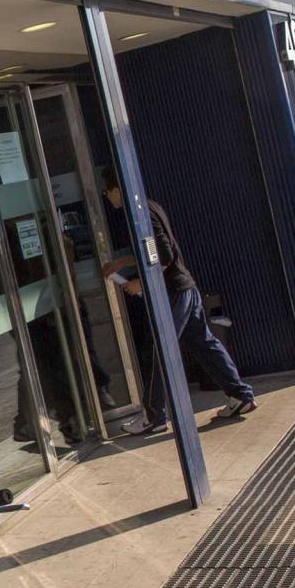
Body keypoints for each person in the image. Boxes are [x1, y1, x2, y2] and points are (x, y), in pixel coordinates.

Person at [105, 184, 257, 433]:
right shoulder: (150, 206)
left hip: (174, 292)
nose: (107, 198)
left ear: (116, 189)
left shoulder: (140, 213)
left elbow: (162, 256)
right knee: (204, 343)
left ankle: (154, 417)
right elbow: (154, 251)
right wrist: (122, 263)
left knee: (159, 349)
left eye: (106, 192)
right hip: (185, 287)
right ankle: (240, 395)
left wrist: (139, 283)